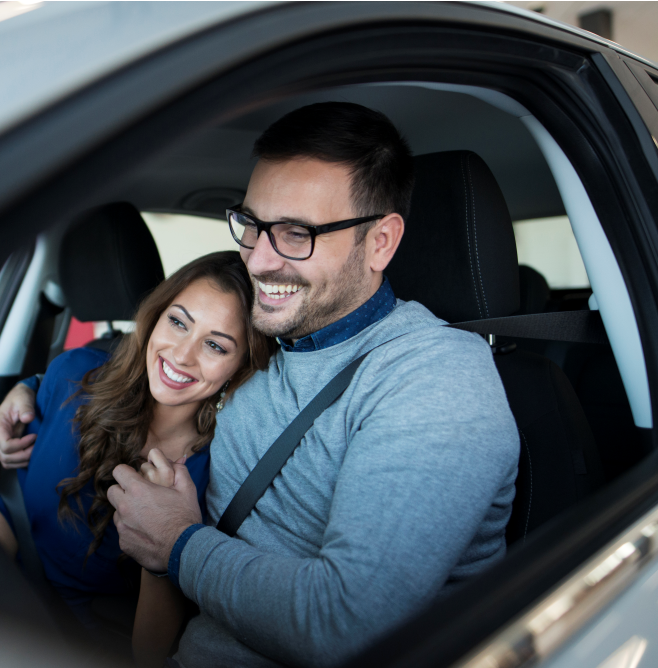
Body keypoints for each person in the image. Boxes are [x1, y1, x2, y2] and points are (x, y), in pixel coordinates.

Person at [104, 102, 520, 667]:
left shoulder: (437, 377)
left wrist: (179, 546)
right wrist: (33, 385)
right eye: (252, 226)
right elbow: (159, 350)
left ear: (380, 242)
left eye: (298, 233)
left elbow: (348, 626)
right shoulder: (265, 340)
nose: (260, 260)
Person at [0, 251, 276, 665]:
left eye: (214, 345)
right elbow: (6, 501)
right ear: (155, 317)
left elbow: (150, 652)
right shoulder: (72, 373)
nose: (181, 355)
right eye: (178, 322)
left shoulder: (210, 475)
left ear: (241, 367)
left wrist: (168, 538)